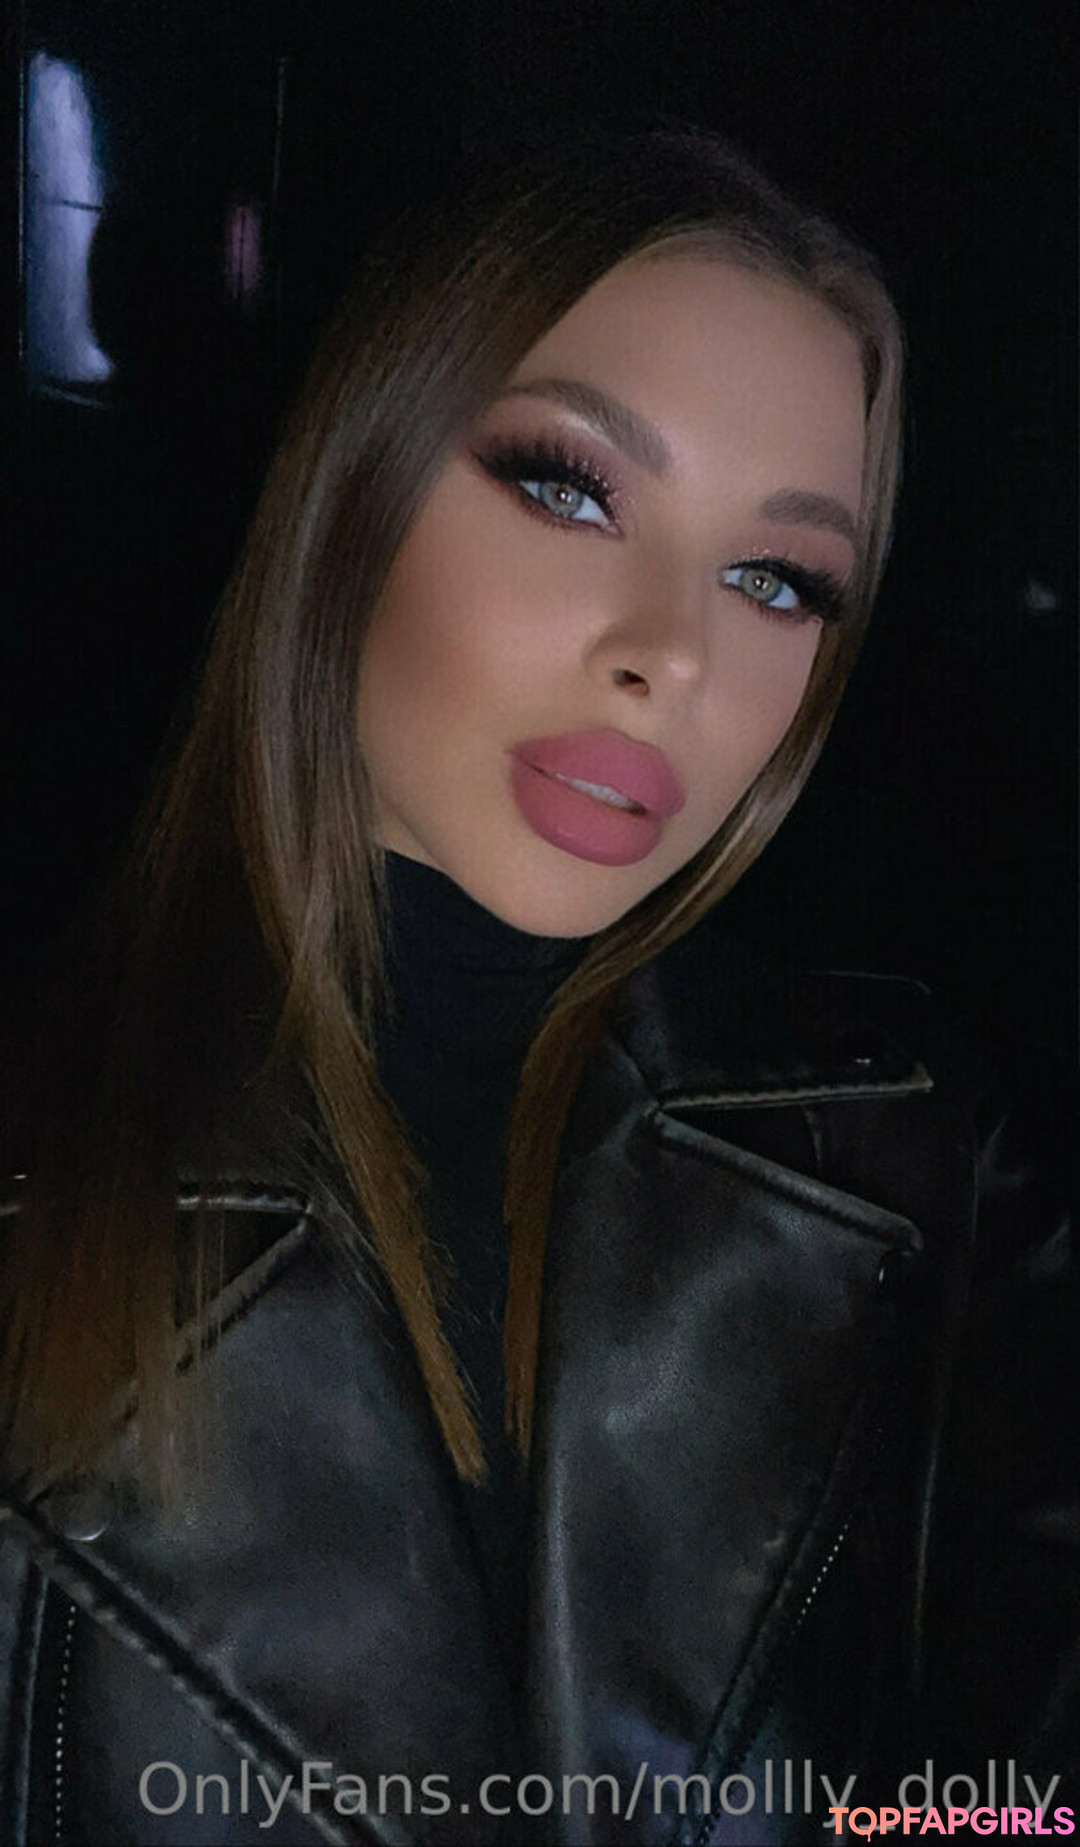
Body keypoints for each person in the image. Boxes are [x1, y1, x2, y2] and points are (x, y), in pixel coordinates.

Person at [0, 127, 1075, 1847]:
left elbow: (1018, 1802)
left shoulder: (922, 1168)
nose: (674, 654)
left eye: (777, 579)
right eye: (571, 489)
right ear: (353, 484)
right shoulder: (54, 1174)